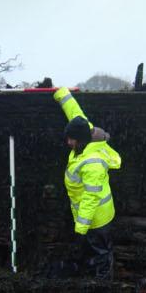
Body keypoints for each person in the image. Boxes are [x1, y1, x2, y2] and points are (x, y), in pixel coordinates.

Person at [52, 86, 122, 280]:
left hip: (96, 218)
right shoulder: (86, 133)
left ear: (81, 140)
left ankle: (103, 292)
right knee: (95, 253)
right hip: (89, 215)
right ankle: (95, 282)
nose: (68, 143)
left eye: (71, 140)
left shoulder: (92, 164)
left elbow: (91, 197)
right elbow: (76, 114)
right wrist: (62, 94)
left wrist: (81, 229)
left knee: (101, 254)